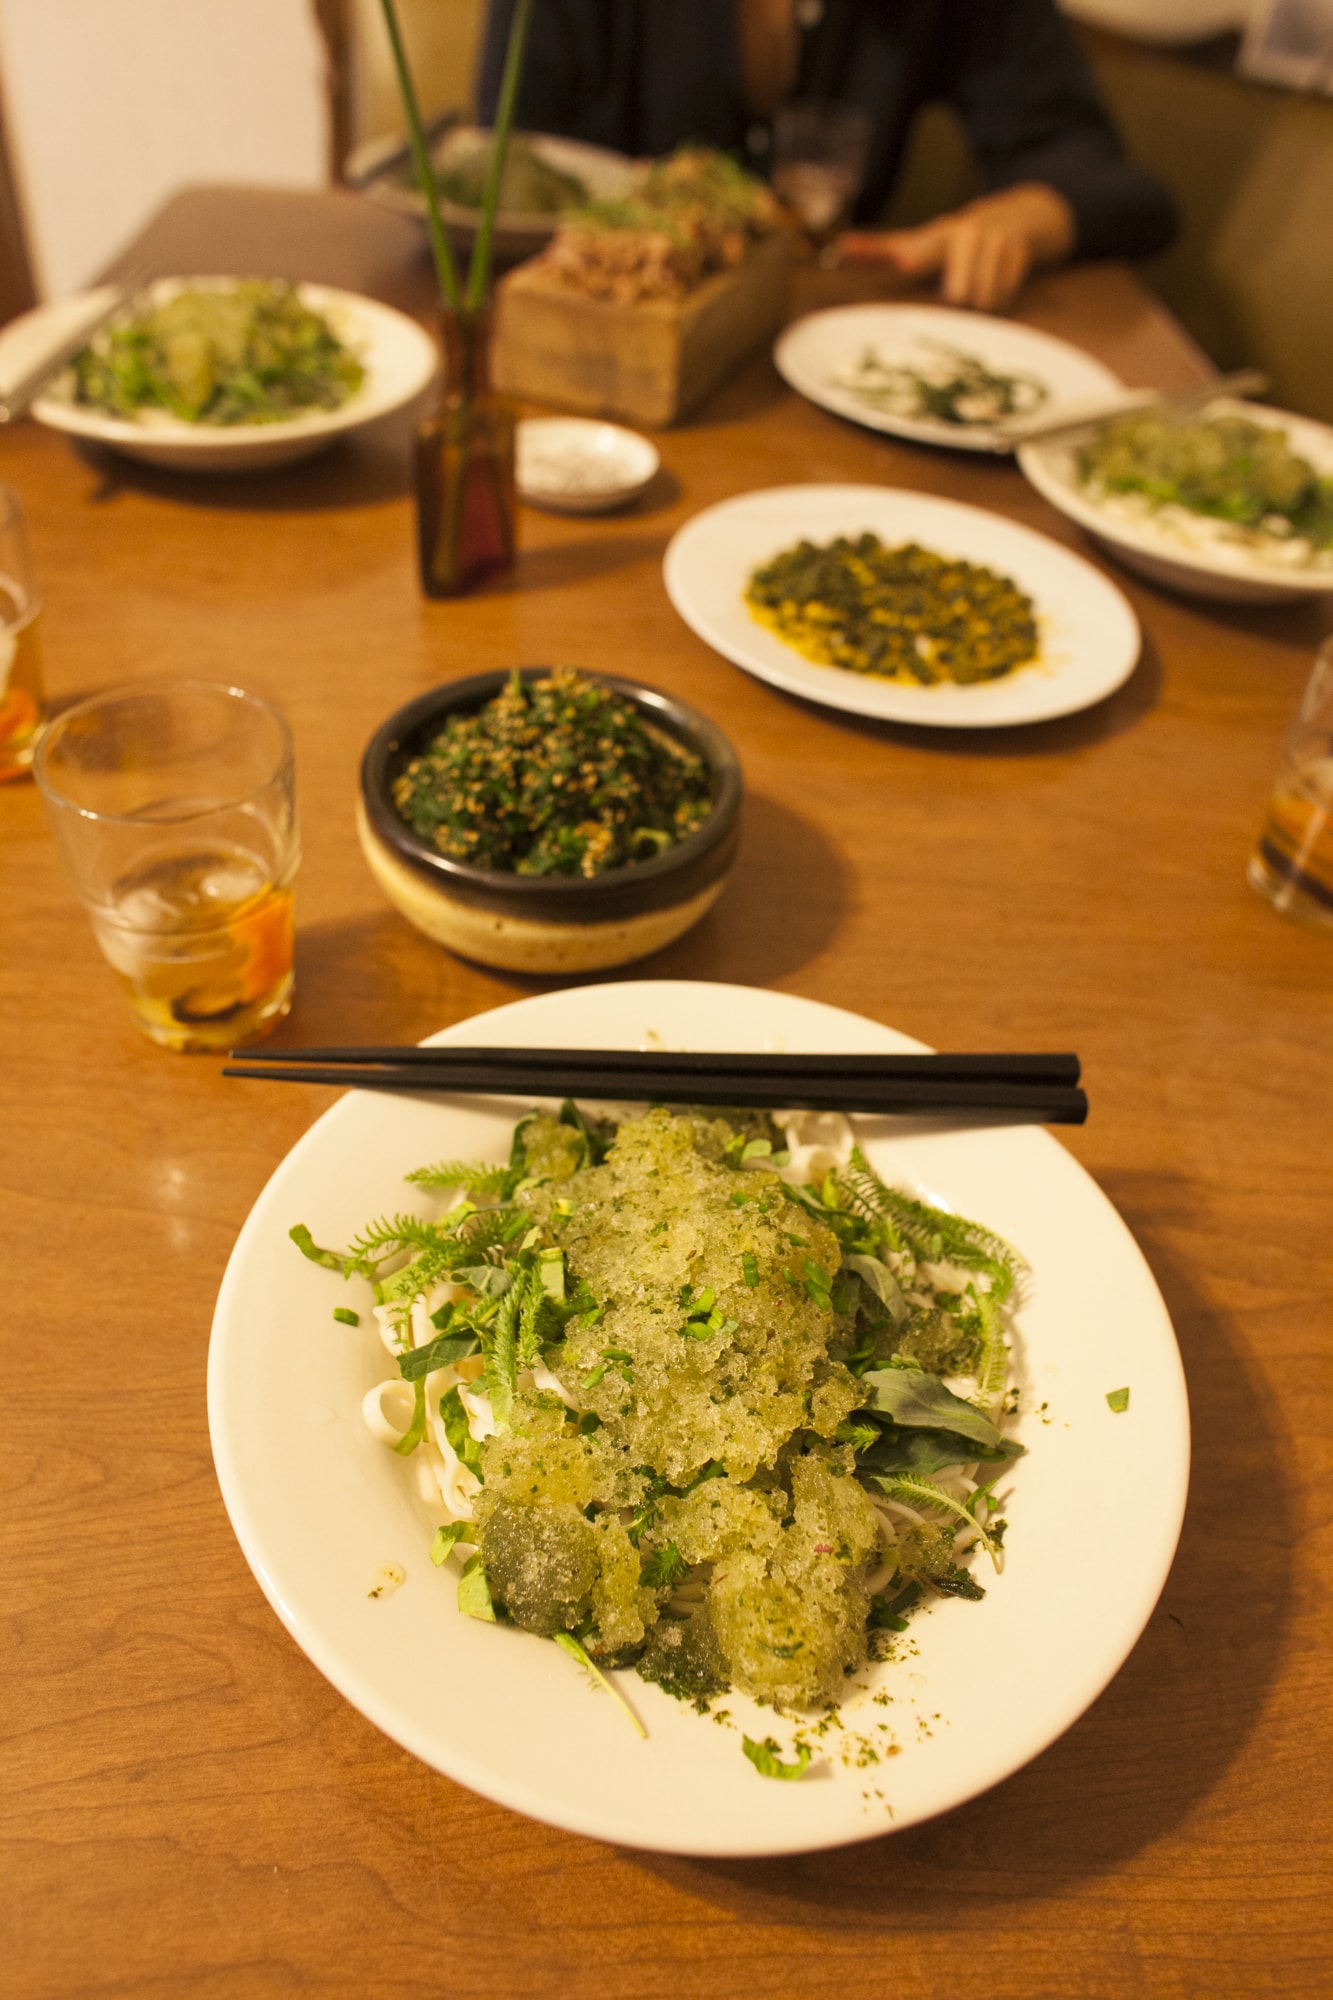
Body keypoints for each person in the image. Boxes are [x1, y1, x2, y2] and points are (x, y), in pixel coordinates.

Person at [477, 0, 1176, 311]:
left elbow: (1102, 174)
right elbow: (514, 166)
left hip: (828, 364)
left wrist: (1020, 219)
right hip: (597, 357)